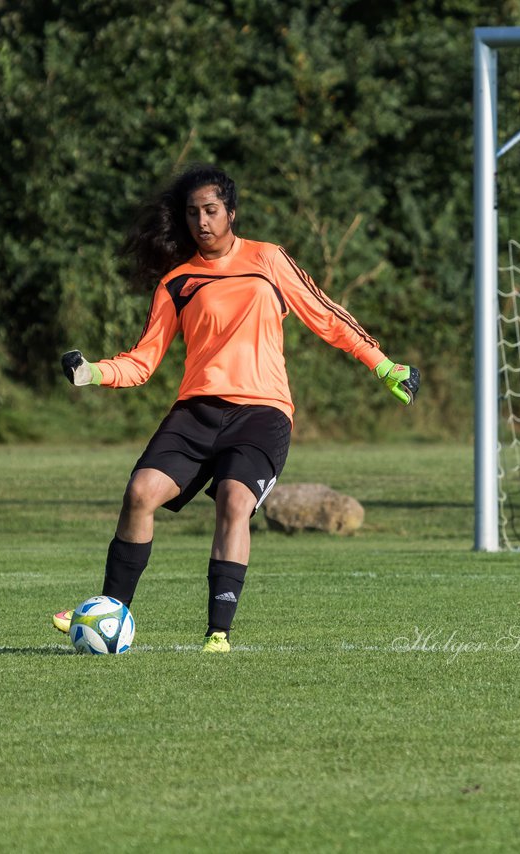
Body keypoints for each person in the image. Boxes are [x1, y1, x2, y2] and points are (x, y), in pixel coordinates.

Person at [54, 164, 418, 653]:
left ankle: (218, 633)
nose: (202, 221)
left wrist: (384, 365)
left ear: (231, 211)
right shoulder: (177, 282)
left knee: (234, 499)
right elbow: (142, 362)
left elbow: (326, 316)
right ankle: (108, 612)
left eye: (210, 210)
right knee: (140, 492)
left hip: (262, 414)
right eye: (192, 213)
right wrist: (92, 372)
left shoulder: (267, 259)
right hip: (196, 411)